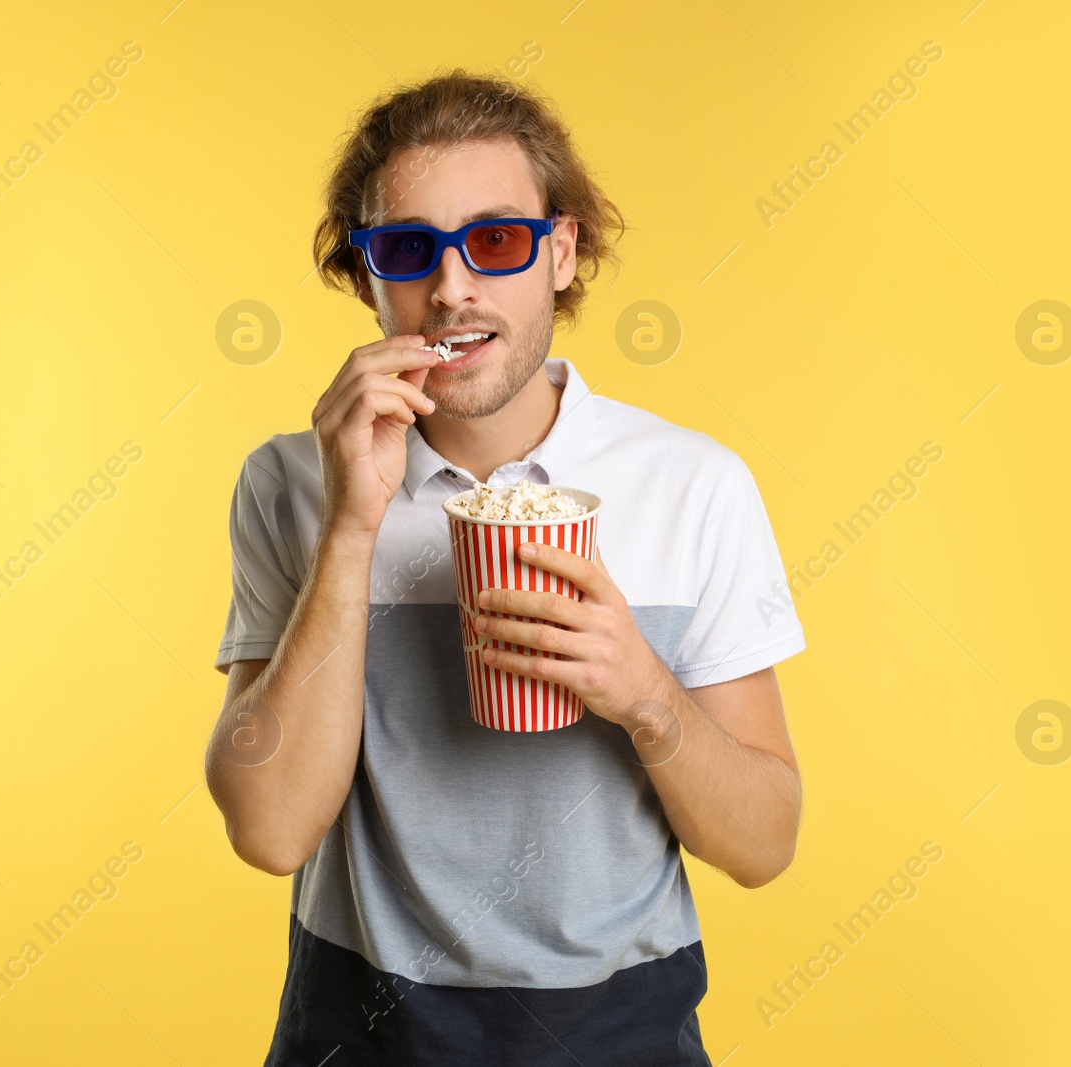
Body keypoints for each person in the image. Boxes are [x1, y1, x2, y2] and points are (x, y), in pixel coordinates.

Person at [207, 68, 807, 1066]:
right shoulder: (292, 481)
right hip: (358, 1033)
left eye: (494, 240)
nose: (452, 287)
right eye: (408, 248)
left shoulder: (692, 482)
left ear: (560, 250)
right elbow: (269, 830)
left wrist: (647, 694)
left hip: (620, 1033)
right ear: (368, 277)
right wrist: (350, 526)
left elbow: (765, 841)